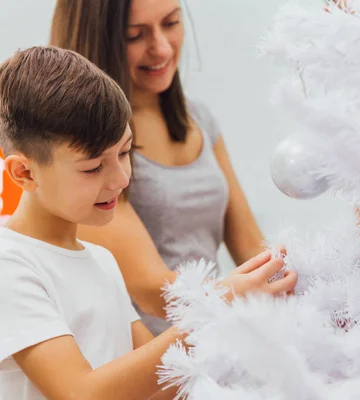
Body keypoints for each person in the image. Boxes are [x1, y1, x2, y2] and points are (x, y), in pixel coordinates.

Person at [0, 46, 296, 400]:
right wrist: (217, 307)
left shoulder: (102, 262)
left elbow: (165, 382)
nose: (121, 178)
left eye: (125, 152)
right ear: (24, 173)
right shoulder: (10, 265)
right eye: (93, 167)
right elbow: (80, 394)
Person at [49, 0, 276, 335]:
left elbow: (252, 249)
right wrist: (238, 296)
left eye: (171, 23)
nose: (161, 47)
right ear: (96, 40)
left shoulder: (197, 119)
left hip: (215, 337)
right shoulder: (82, 146)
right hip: (150, 361)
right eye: (134, 36)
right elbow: (154, 291)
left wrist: (302, 282)